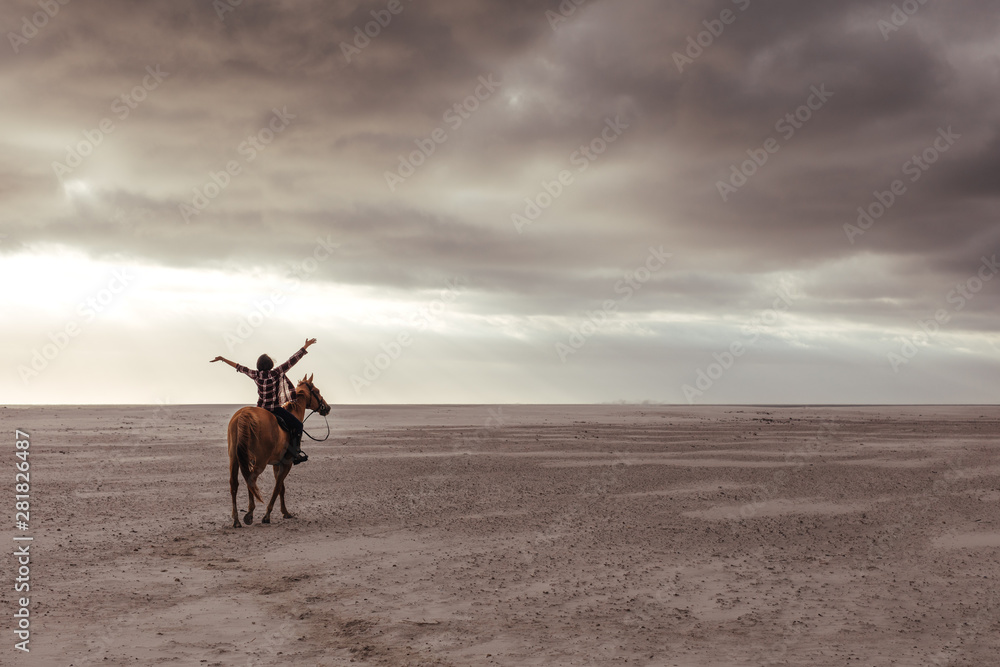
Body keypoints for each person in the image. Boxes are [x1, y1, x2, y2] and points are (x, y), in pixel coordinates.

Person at [211, 338, 317, 465]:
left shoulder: (255, 375)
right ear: (270, 364)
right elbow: (292, 361)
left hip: (260, 409)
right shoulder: (276, 373)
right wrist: (305, 346)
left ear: (259, 365)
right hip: (275, 409)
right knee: (299, 425)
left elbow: (239, 367)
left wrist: (223, 359)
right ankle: (295, 453)